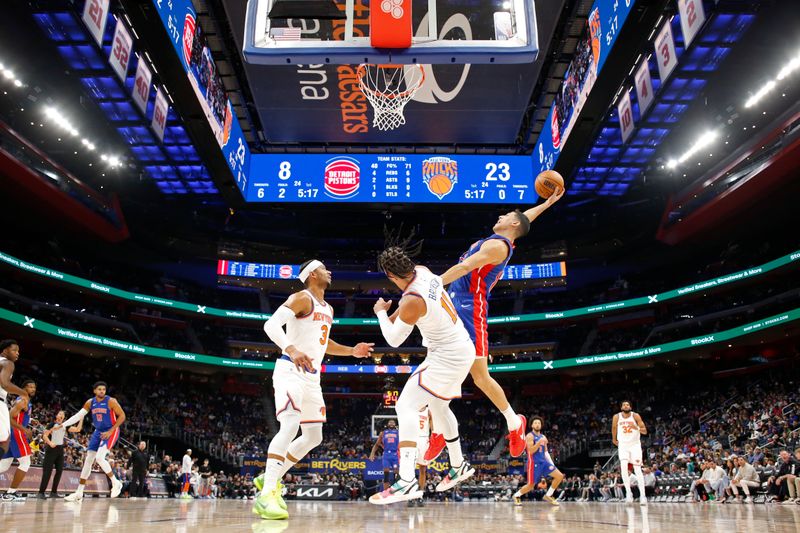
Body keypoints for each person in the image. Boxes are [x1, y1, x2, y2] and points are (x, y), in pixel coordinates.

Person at [432, 185, 564, 459]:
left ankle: (514, 424)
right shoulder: (502, 238)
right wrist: (548, 203)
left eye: (506, 215)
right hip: (454, 307)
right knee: (439, 369)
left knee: (479, 377)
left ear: (511, 224)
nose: (500, 216)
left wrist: (432, 284)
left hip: (470, 311)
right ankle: (439, 429)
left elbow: (465, 267)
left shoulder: (496, 247)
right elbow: (524, 218)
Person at [253, 259, 373, 520]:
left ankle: (269, 476)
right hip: (289, 370)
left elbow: (323, 341)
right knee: (289, 426)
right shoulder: (301, 297)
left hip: (311, 377)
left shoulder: (328, 308)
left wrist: (352, 351)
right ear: (312, 274)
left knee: (313, 436)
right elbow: (271, 325)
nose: (329, 271)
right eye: (324, 268)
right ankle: (266, 496)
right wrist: (292, 348)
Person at [368, 240, 477, 505]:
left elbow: (394, 340)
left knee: (405, 405)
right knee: (439, 408)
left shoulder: (411, 300)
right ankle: (458, 464)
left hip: (446, 355)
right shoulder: (424, 271)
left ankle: (405, 481)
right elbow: (409, 312)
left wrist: (381, 313)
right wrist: (395, 314)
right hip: (462, 347)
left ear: (391, 276)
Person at [59, 381, 126, 501]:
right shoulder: (90, 402)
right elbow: (79, 415)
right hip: (98, 431)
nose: (102, 391)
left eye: (104, 389)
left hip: (111, 430)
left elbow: (122, 416)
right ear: (94, 391)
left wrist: (111, 431)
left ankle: (115, 482)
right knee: (88, 460)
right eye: (99, 389)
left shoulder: (111, 401)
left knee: (100, 458)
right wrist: (63, 425)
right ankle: (79, 492)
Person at [512, 416, 564, 506]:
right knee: (531, 485)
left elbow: (546, 452)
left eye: (539, 423)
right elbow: (531, 451)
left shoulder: (543, 436)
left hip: (544, 463)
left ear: (541, 425)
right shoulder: (529, 436)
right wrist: (539, 442)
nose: (537, 424)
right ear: (532, 425)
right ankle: (516, 495)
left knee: (559, 476)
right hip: (534, 463)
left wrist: (552, 464)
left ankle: (548, 495)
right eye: (535, 423)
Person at [0, 379, 36, 501]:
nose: (33, 389)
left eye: (34, 387)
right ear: (24, 388)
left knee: (4, 466)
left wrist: (29, 421)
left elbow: (19, 417)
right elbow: (9, 417)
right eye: (30, 387)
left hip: (13, 434)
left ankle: (9, 493)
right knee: (26, 463)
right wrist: (24, 429)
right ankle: (10, 493)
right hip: (17, 433)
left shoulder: (25, 401)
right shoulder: (23, 400)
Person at [612, 400, 648, 505]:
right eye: (623, 404)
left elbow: (644, 431)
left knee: (637, 469)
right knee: (623, 467)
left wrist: (636, 427)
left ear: (630, 407)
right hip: (623, 445)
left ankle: (643, 496)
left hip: (635, 445)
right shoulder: (616, 417)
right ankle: (629, 494)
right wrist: (614, 439)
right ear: (621, 407)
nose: (625, 406)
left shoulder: (635, 416)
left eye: (627, 404)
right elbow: (614, 428)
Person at [0, 340, 28, 457]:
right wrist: (24, 393)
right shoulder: (8, 363)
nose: (17, 353)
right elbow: (4, 384)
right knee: (5, 441)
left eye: (18, 351)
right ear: (5, 350)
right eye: (14, 350)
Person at [38, 410, 72, 498]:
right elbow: (44, 436)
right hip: (51, 449)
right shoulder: (51, 425)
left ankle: (53, 492)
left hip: (60, 450)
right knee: (47, 472)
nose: (61, 415)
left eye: (63, 414)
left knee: (59, 470)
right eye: (59, 413)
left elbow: (78, 429)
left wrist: (81, 418)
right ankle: (41, 492)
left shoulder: (64, 426)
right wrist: (50, 443)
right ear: (57, 416)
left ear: (64, 418)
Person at [369, 419, 399, 490]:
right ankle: (386, 492)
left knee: (396, 473)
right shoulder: (383, 433)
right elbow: (377, 444)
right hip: (386, 455)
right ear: (387, 424)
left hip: (395, 454)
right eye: (390, 422)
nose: (391, 423)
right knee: (386, 473)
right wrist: (372, 454)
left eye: (393, 422)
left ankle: (397, 490)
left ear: (395, 424)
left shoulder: (398, 432)